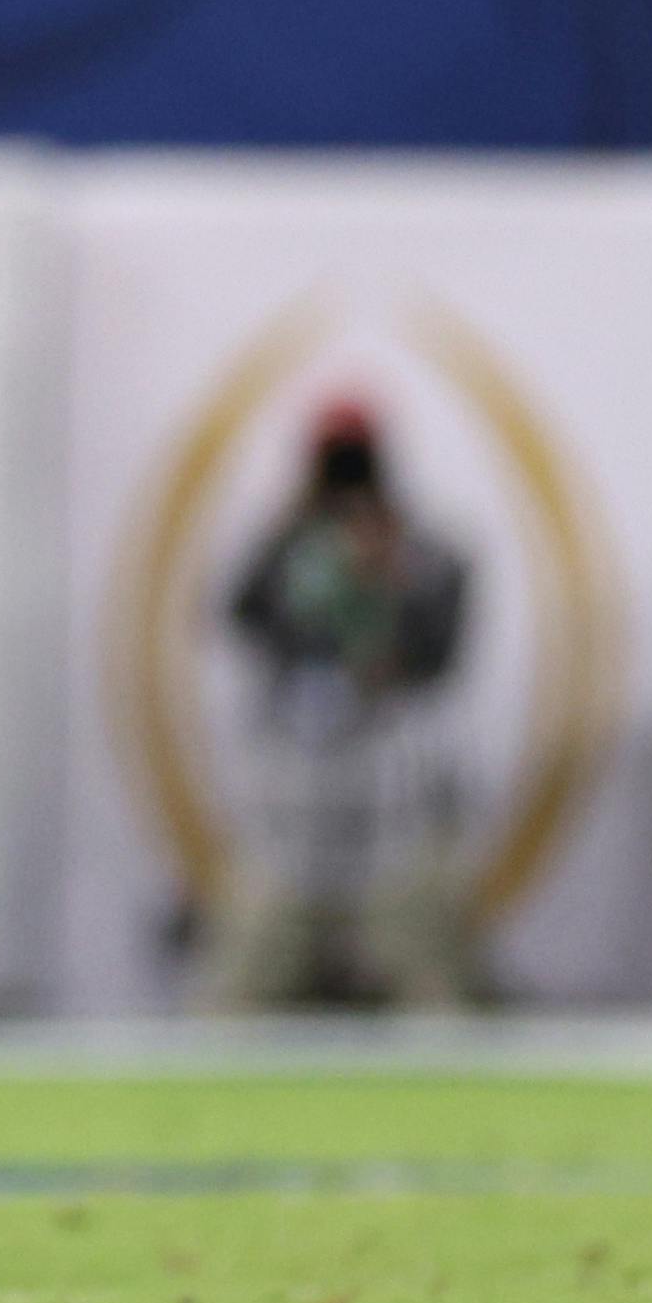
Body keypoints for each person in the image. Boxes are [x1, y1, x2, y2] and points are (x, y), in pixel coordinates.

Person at [218, 402, 476, 1008]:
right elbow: (240, 611)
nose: (345, 484)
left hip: (390, 793)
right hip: (295, 795)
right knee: (242, 983)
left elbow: (441, 645)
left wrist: (391, 576)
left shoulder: (422, 551)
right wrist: (293, 529)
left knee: (429, 978)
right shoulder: (287, 547)